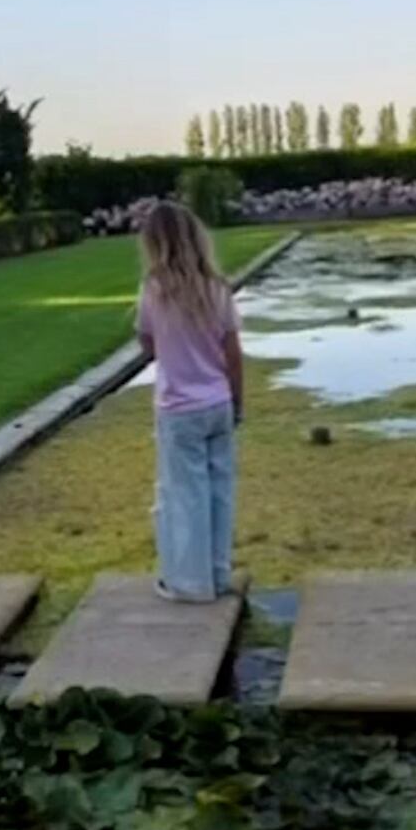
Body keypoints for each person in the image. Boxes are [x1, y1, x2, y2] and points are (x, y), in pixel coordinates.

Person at [137, 200, 244, 602]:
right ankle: (218, 573)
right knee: (219, 491)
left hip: (178, 407)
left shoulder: (154, 290)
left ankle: (190, 582)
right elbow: (233, 353)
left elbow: (147, 342)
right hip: (217, 402)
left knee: (184, 496)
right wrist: (238, 403)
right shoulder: (217, 288)